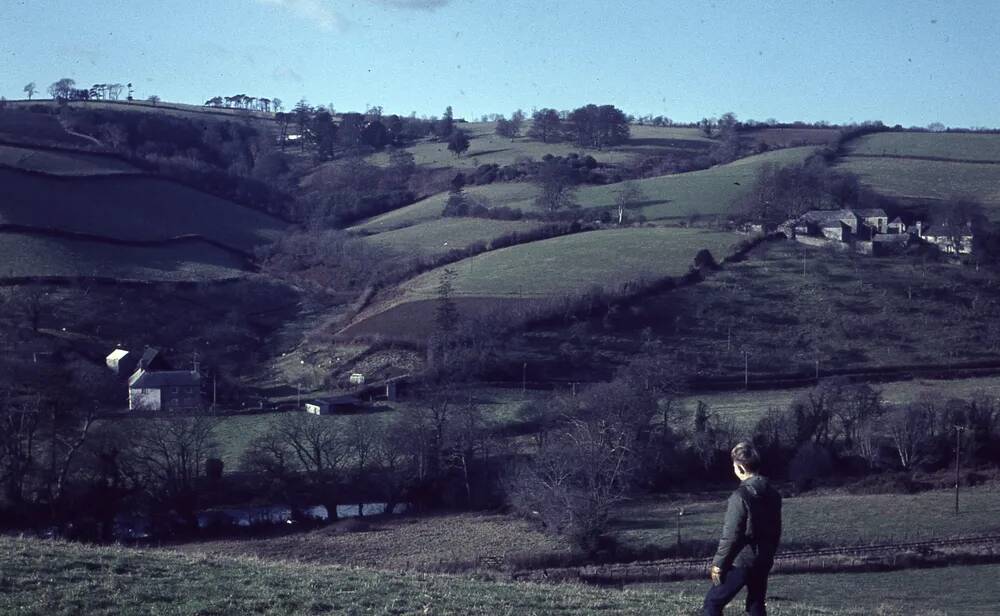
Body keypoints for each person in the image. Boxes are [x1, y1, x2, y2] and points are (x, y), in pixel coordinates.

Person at [703, 441, 782, 616]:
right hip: (763, 559)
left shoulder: (739, 497)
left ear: (740, 468)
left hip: (742, 561)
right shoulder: (773, 494)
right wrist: (768, 555)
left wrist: (718, 564)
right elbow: (776, 530)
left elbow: (731, 535)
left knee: (712, 604)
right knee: (756, 605)